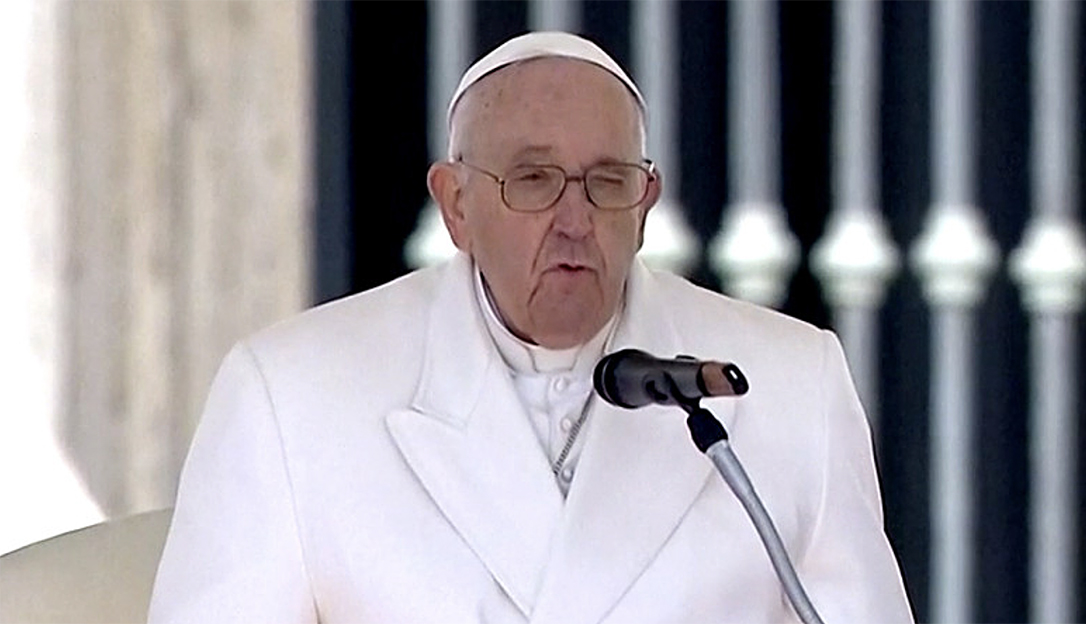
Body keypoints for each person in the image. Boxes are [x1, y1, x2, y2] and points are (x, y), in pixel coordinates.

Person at [149, 31, 913, 623]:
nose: (575, 221)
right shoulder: (291, 394)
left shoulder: (790, 383)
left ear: (646, 204)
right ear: (455, 206)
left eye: (608, 183)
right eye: (534, 181)